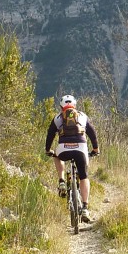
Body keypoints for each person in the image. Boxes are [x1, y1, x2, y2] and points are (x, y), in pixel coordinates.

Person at [45, 94, 100, 222]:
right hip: (81, 149)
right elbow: (92, 133)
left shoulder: (57, 118)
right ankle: (85, 207)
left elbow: (50, 135)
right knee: (84, 176)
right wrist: (95, 149)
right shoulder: (82, 116)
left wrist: (48, 150)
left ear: (61, 107)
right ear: (75, 105)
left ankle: (62, 181)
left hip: (64, 149)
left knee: (56, 155)